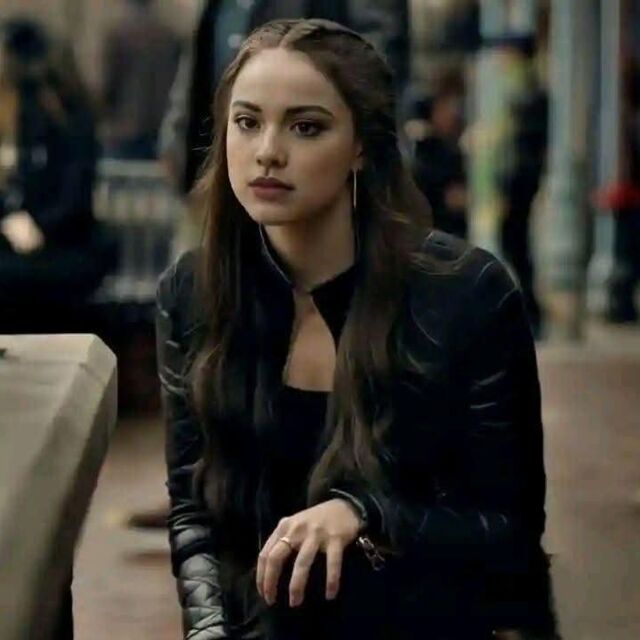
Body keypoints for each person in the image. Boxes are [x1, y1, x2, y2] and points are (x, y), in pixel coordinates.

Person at [156, 19, 558, 639]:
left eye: (306, 127)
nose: (268, 151)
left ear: (361, 147)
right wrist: (208, 630)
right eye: (247, 122)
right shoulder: (194, 293)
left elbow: (509, 531)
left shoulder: (467, 295)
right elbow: (195, 516)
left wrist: (366, 514)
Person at [0, 19, 115, 332]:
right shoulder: (30, 113)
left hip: (66, 246)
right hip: (35, 239)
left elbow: (73, 197)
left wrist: (35, 225)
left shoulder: (69, 120)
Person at [100, 0, 180, 160]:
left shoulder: (119, 34)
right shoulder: (169, 35)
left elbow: (110, 86)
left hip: (126, 128)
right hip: (159, 126)